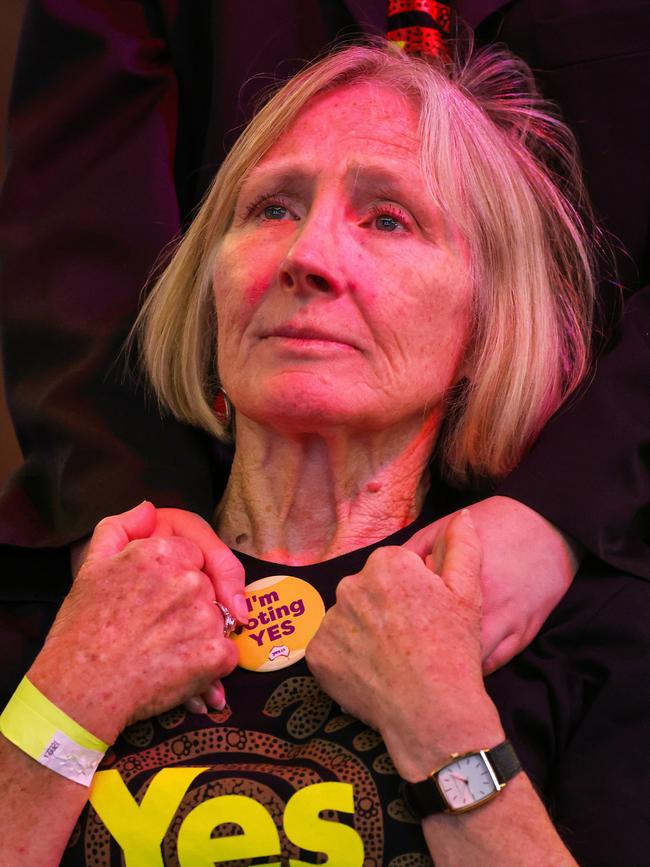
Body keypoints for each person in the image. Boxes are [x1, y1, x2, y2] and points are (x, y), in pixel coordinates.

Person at [1, 41, 648, 866]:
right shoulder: (50, 606)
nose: (306, 258)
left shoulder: (592, 637)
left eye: (388, 218)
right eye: (272, 208)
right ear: (209, 288)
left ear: (486, 322)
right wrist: (69, 697)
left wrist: (445, 729)